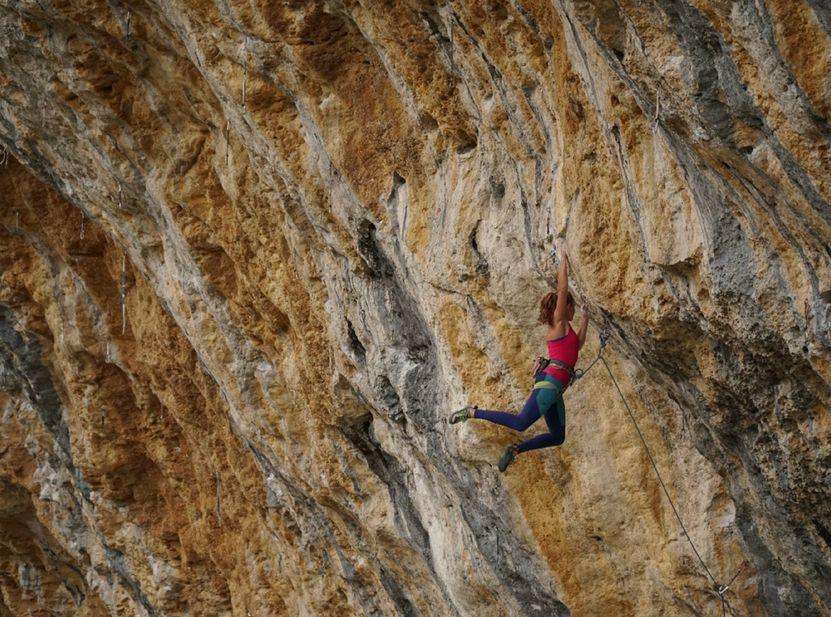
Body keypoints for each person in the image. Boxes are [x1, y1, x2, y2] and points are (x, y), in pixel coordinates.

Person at [449, 245, 588, 472]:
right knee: (521, 422)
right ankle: (472, 412)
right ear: (566, 308)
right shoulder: (559, 324)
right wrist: (564, 259)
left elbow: (578, 346)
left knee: (558, 436)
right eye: (572, 309)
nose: (572, 313)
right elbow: (562, 289)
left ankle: (516, 450)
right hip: (550, 383)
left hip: (556, 388)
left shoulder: (568, 331)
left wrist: (586, 318)